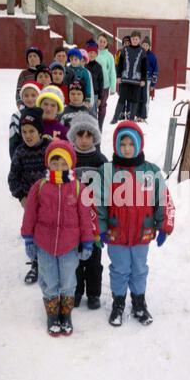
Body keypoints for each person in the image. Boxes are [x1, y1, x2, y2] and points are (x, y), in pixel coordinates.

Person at [97, 121, 175, 327]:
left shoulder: (151, 172)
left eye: (131, 144)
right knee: (120, 268)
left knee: (139, 268)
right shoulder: (108, 171)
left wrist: (164, 226)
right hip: (116, 233)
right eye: (122, 144)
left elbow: (163, 199)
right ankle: (118, 303)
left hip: (142, 233)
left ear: (139, 144)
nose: (127, 149)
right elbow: (98, 202)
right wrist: (100, 229)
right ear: (115, 146)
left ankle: (139, 303)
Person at [21, 140, 97, 336]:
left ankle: (66, 313)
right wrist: (28, 238)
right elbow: (29, 214)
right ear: (48, 163)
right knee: (48, 279)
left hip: (69, 246)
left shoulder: (78, 188)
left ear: (70, 164)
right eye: (55, 163)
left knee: (68, 281)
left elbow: (85, 218)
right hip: (44, 244)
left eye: (63, 163)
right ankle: (52, 313)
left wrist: (87, 241)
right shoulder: (40, 186)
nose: (59, 167)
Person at [67, 113, 108, 309]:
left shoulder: (100, 160)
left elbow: (109, 190)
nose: (84, 140)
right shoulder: (68, 159)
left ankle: (93, 293)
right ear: (73, 136)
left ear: (95, 137)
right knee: (74, 260)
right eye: (80, 135)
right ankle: (76, 291)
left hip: (94, 222)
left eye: (88, 135)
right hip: (73, 220)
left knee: (94, 261)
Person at [8, 107, 51, 285]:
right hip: (30, 203)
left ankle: (49, 261)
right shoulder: (20, 153)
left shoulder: (48, 149)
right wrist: (21, 197)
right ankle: (35, 263)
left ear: (40, 131)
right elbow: (13, 178)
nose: (28, 135)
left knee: (48, 230)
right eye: (24, 132)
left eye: (32, 131)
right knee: (32, 232)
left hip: (49, 200)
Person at [110, 31, 147, 124]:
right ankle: (115, 118)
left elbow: (144, 67)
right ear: (131, 39)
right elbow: (120, 64)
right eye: (133, 38)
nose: (134, 40)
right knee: (122, 98)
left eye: (136, 39)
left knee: (135, 100)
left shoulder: (142, 51)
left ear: (139, 40)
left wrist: (143, 79)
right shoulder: (125, 50)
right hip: (125, 79)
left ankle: (131, 120)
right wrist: (118, 76)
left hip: (137, 81)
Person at [9, 80, 42, 159]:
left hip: (41, 158)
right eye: (26, 96)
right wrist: (15, 160)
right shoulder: (16, 116)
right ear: (22, 97)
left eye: (33, 95)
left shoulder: (42, 114)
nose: (30, 99)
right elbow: (13, 141)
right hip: (23, 158)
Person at [95, 35, 117, 131]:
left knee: (102, 105)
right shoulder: (93, 53)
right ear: (97, 41)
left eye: (104, 42)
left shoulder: (109, 56)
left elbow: (112, 71)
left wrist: (113, 87)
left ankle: (99, 126)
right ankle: (92, 126)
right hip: (93, 85)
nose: (102, 43)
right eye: (100, 41)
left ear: (107, 43)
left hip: (104, 86)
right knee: (92, 106)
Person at [136, 36, 159, 122]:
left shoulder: (152, 57)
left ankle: (143, 116)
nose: (145, 47)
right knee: (137, 97)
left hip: (148, 80)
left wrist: (153, 84)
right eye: (144, 45)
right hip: (138, 80)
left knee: (145, 98)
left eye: (147, 45)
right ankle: (137, 115)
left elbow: (155, 70)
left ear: (149, 46)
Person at [86, 43, 104, 118]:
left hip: (95, 94)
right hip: (86, 94)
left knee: (93, 113)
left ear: (96, 55)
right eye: (90, 53)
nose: (92, 55)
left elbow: (101, 82)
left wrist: (100, 97)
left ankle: (93, 128)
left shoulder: (99, 66)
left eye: (94, 53)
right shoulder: (84, 65)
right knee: (85, 113)